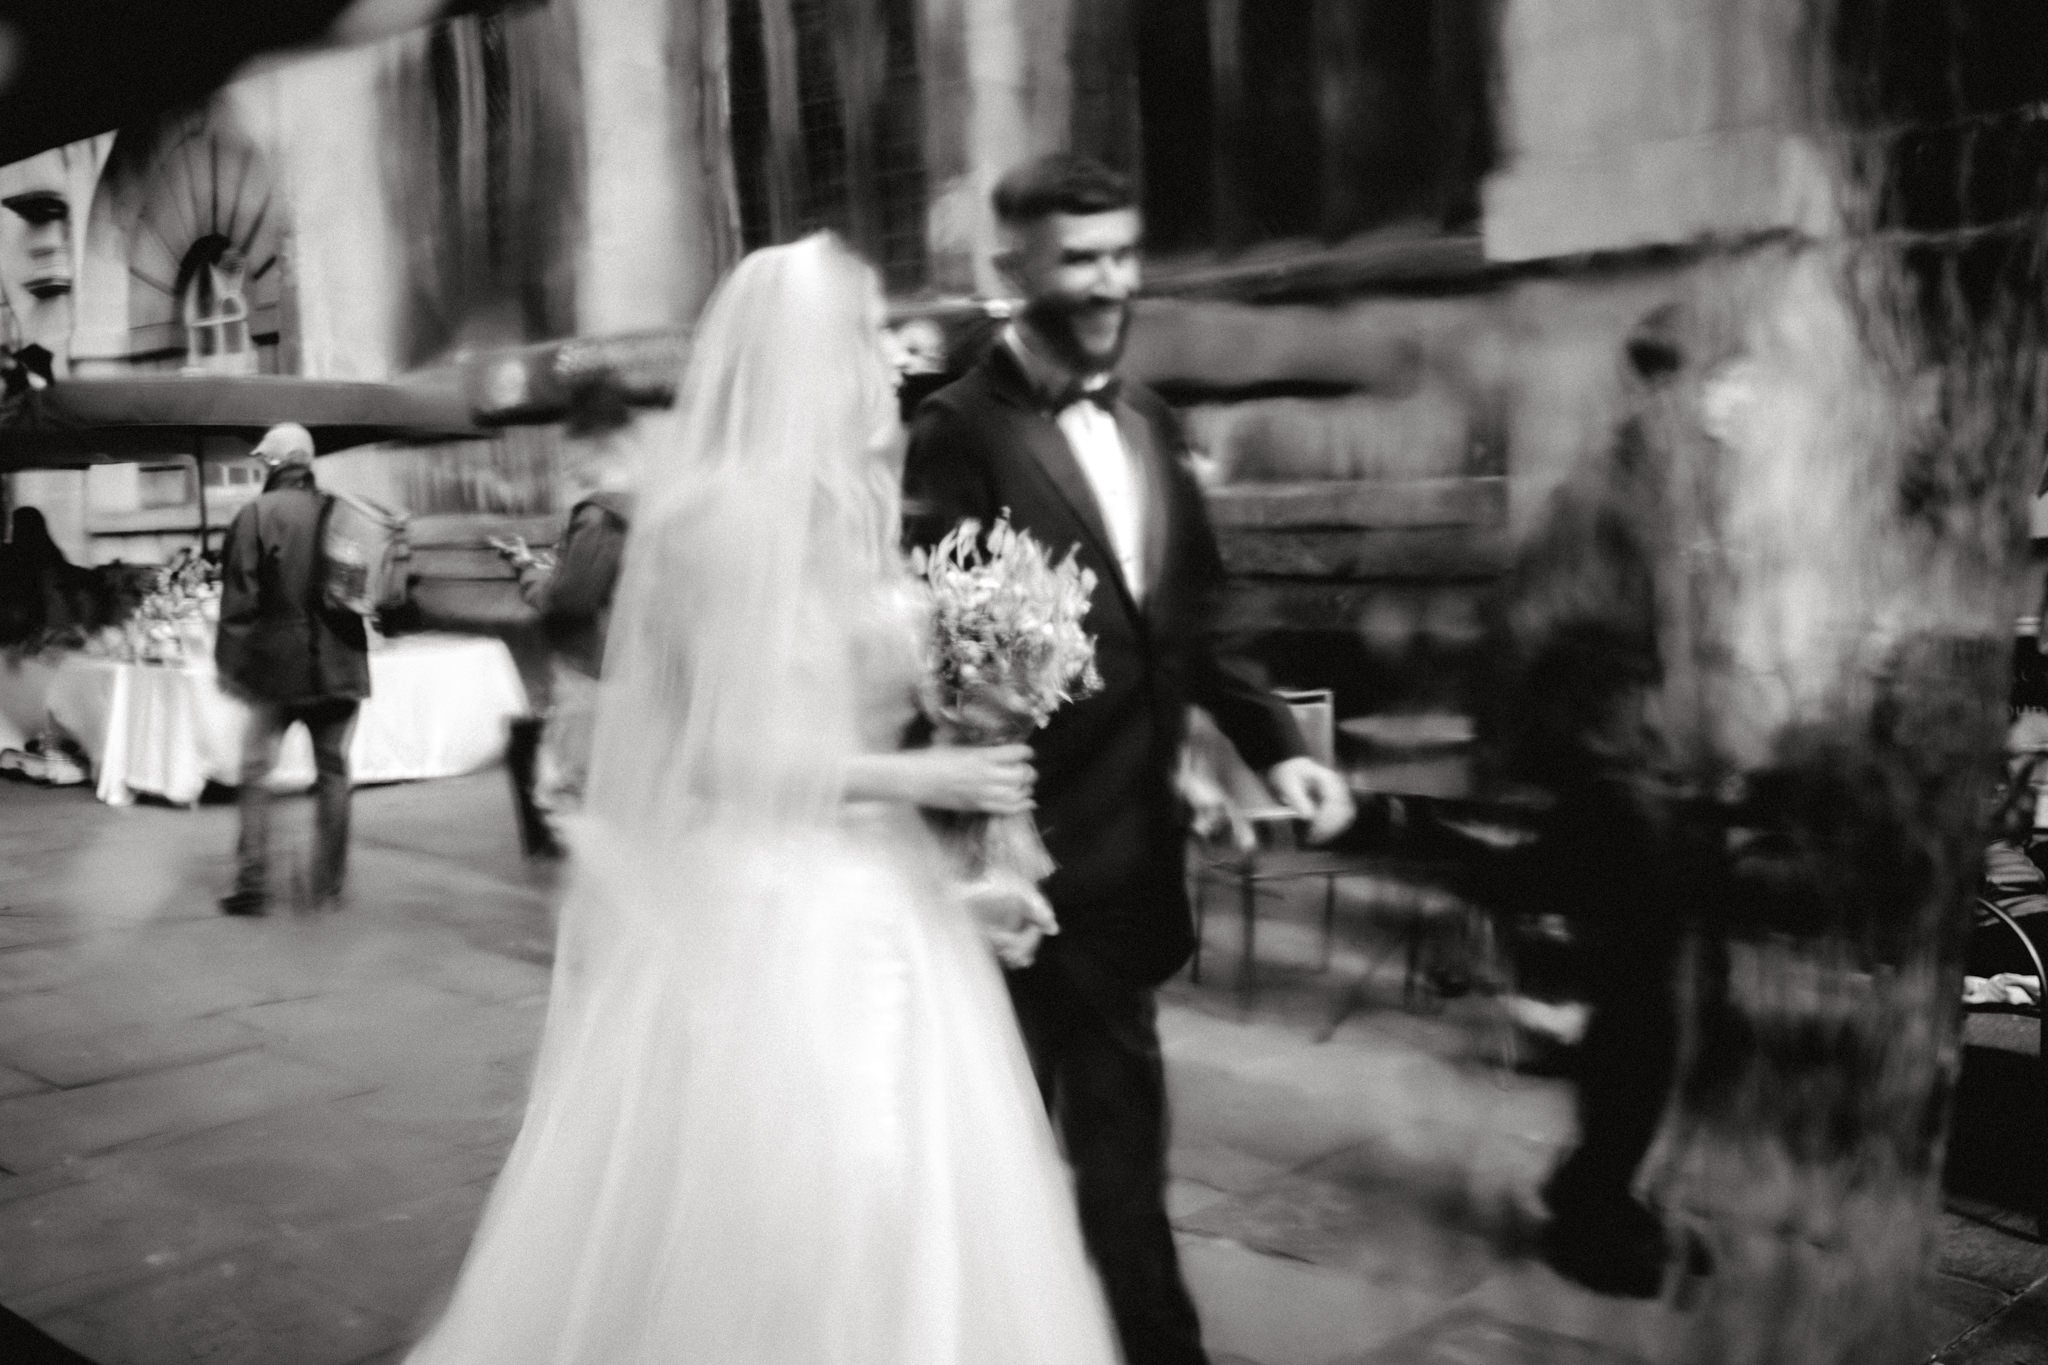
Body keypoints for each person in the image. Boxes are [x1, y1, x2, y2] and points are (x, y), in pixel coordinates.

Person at [404, 235, 1121, 1364]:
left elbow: (848, 724)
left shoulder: (850, 514)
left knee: (917, 1199)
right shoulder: (714, 520)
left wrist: (969, 873)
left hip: (887, 902)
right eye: (863, 333)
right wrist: (920, 776)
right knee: (819, 1200)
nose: (887, 356)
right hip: (770, 919)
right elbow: (719, 756)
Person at [902, 153, 1356, 1365]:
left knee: (1100, 1150)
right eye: (1079, 259)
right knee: (1044, 1152)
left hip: (1131, 850)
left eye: (1121, 252)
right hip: (1024, 862)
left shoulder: (1149, 418)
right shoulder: (955, 432)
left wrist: (1273, 747)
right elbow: (946, 656)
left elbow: (1196, 614)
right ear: (1013, 270)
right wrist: (993, 831)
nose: (1110, 282)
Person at [214, 422, 369, 917]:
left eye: (264, 461)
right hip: (341, 661)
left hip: (276, 670)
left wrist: (230, 666)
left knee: (257, 773)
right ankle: (328, 888)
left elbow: (240, 604)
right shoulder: (344, 512)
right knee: (332, 774)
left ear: (278, 464)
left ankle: (254, 886)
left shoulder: (256, 515)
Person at [494, 381, 636, 853]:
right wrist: (532, 564)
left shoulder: (600, 515)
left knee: (566, 792)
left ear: (595, 443)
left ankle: (597, 903)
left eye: (571, 448)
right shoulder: (646, 505)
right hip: (630, 668)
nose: (567, 462)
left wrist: (531, 579)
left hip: (589, 668)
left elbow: (570, 599)